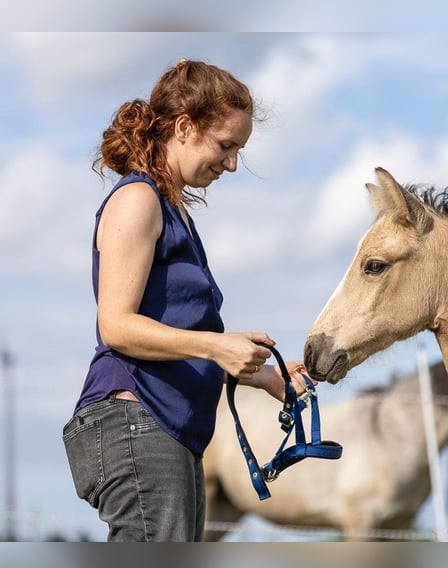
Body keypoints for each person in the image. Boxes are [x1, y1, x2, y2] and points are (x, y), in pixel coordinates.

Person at [62, 59, 310, 542]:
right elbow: (115, 325)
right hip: (137, 419)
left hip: (166, 430)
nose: (233, 162)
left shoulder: (172, 211)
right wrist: (217, 346)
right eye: (226, 145)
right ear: (183, 127)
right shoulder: (138, 200)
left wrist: (265, 378)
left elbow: (176, 333)